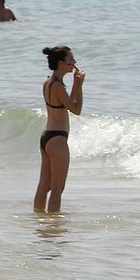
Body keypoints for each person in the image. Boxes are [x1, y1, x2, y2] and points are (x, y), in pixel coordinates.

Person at [33, 45, 85, 213]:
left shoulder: (48, 82)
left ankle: (38, 218)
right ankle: (52, 226)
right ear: (62, 63)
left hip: (47, 137)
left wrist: (75, 84)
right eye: (71, 59)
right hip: (57, 139)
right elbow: (76, 109)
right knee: (57, 188)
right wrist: (78, 84)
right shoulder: (57, 86)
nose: (74, 62)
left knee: (44, 186)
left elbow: (67, 104)